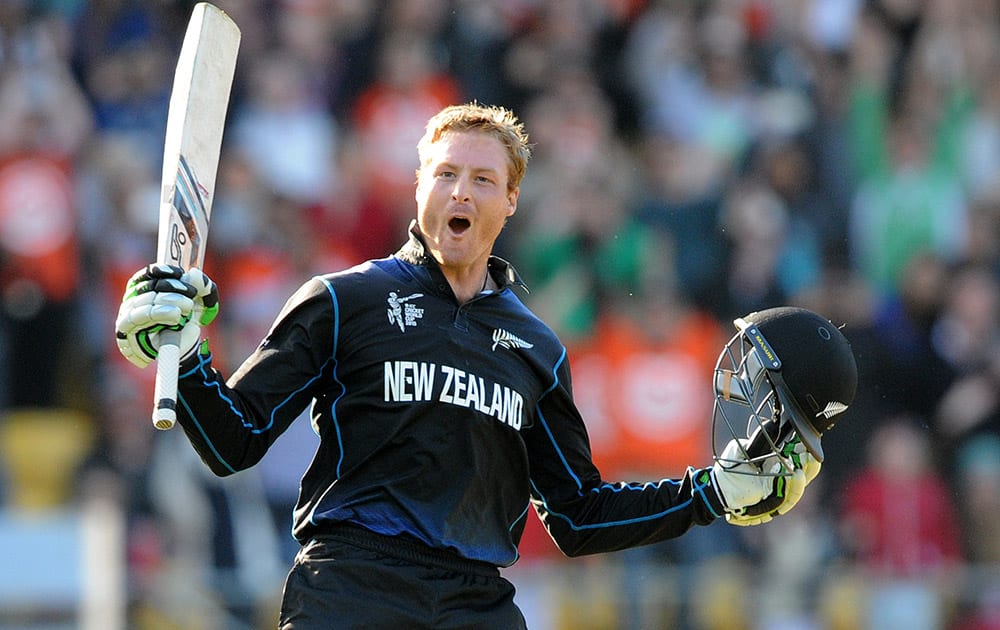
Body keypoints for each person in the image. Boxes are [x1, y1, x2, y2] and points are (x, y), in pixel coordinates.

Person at [114, 103, 856, 629]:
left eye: (481, 179)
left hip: (477, 603)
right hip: (351, 586)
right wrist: (182, 356)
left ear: (510, 201)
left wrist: (711, 493)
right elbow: (232, 441)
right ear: (418, 188)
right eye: (444, 174)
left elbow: (575, 516)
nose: (459, 190)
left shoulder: (537, 348)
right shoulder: (343, 300)